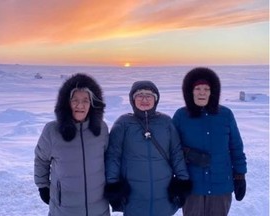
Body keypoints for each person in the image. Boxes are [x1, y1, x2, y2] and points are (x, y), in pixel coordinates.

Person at [104, 80, 192, 216]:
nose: (144, 99)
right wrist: (113, 186)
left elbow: (176, 153)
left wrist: (182, 182)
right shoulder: (123, 124)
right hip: (133, 196)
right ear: (133, 99)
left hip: (163, 193)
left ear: (155, 99)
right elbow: (113, 156)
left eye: (149, 96)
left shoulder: (166, 122)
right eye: (140, 95)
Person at [172, 67, 247, 216]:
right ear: (190, 91)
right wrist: (188, 156)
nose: (202, 92)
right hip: (192, 188)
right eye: (197, 88)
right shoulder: (181, 116)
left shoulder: (225, 115)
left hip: (221, 187)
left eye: (206, 89)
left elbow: (236, 148)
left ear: (213, 92)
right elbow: (171, 149)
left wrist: (240, 176)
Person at [34, 73, 110, 216]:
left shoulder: (101, 129)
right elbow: (41, 159)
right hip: (65, 209)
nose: (80, 105)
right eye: (75, 100)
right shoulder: (52, 131)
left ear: (92, 103)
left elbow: (109, 159)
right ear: (66, 103)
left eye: (85, 100)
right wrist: (42, 186)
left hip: (99, 208)